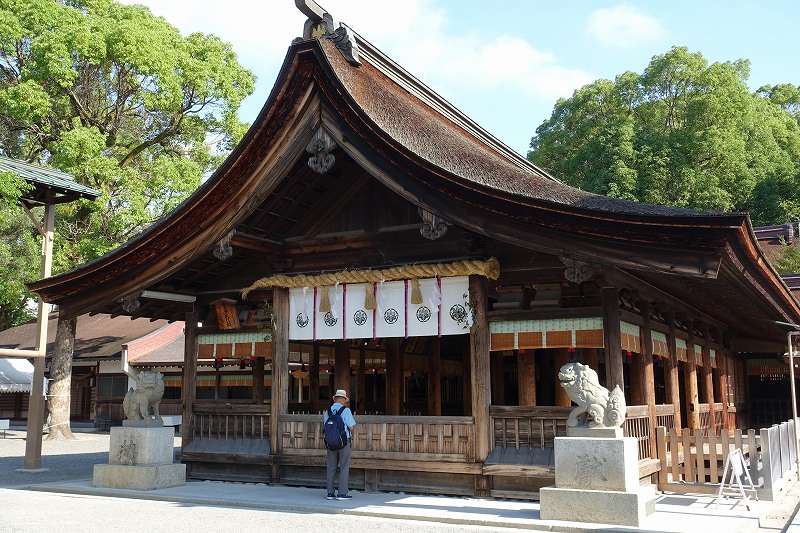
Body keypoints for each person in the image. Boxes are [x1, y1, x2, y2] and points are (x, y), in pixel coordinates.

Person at [325, 389, 356, 500]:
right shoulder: (346, 410)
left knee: (331, 467)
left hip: (331, 443)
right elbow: (351, 427)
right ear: (343, 399)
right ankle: (342, 494)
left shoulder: (327, 411)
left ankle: (330, 493)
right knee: (344, 467)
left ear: (334, 399)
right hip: (343, 442)